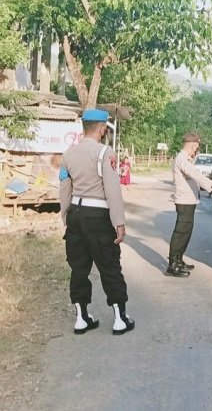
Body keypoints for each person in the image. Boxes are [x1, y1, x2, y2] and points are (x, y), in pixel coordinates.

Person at [59, 108, 135, 336]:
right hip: (98, 216)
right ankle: (120, 319)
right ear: (102, 129)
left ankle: (81, 318)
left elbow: (64, 187)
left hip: (76, 213)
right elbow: (112, 190)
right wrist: (119, 222)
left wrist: (65, 216)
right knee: (109, 266)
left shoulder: (68, 154)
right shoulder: (105, 152)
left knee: (79, 268)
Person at [167, 132, 212, 277]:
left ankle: (179, 259)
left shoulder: (186, 159)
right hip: (184, 201)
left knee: (186, 233)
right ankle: (173, 264)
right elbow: (196, 175)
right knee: (180, 233)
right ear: (192, 145)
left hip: (189, 201)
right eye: (196, 147)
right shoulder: (182, 159)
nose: (196, 150)